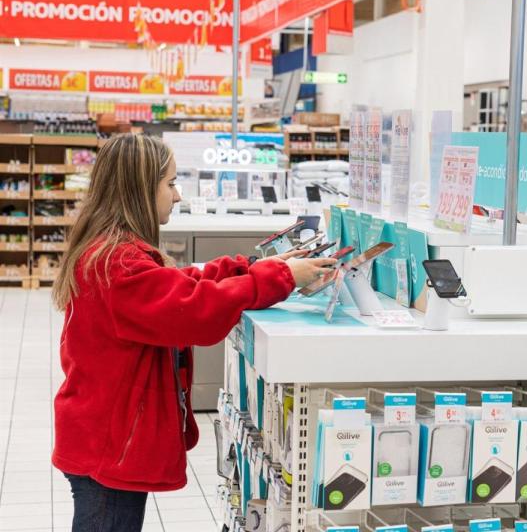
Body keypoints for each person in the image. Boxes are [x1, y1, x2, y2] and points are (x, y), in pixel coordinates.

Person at [50, 134, 336, 532]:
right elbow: (194, 310)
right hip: (108, 447)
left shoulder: (112, 252)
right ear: (139, 190)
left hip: (102, 437)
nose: (178, 195)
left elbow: (176, 285)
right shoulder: (119, 264)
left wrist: (249, 268)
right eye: (169, 184)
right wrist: (279, 277)